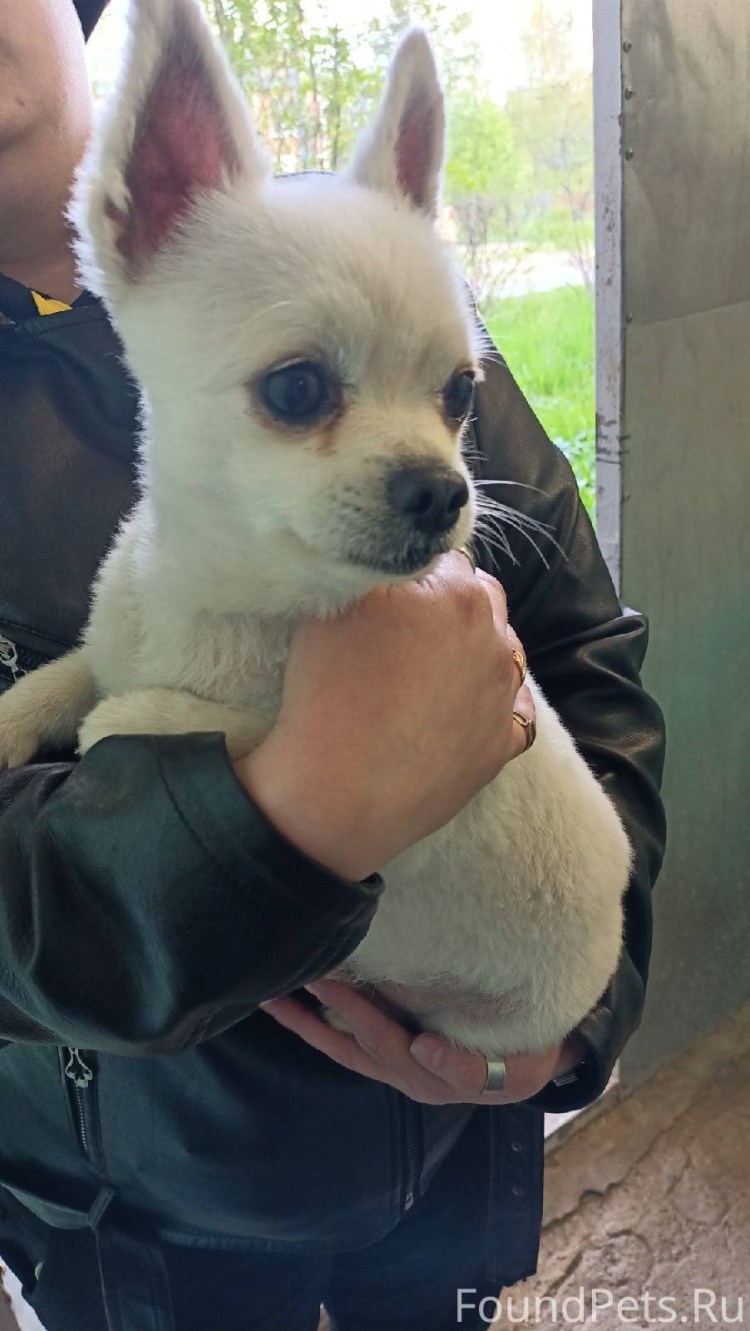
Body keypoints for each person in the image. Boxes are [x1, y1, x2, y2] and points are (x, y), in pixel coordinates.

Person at [0, 2, 666, 1329]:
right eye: (300, 393)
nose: (429, 462)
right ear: (144, 210)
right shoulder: (239, 273)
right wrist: (282, 810)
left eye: (451, 397)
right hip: (131, 1228)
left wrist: (565, 1027)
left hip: (440, 1166)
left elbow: (587, 655)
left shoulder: (358, 260)